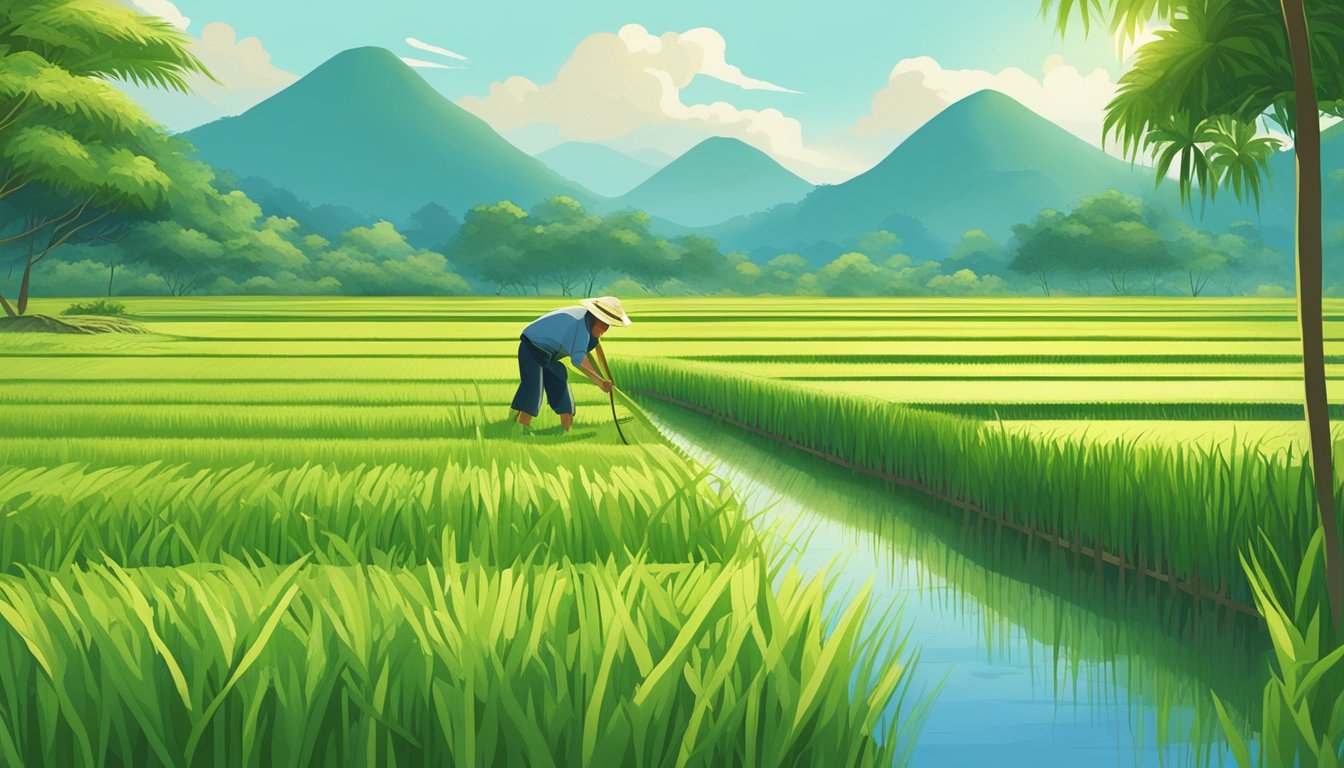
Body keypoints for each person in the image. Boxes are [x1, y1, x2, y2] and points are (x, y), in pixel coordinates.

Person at [511, 296, 632, 433]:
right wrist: (600, 382)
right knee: (534, 391)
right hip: (531, 348)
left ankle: (566, 430)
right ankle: (521, 429)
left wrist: (604, 378)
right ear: (595, 317)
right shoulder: (580, 325)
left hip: (548, 355)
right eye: (604, 323)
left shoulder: (587, 323)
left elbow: (593, 355)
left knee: (559, 379)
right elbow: (578, 360)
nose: (606, 328)